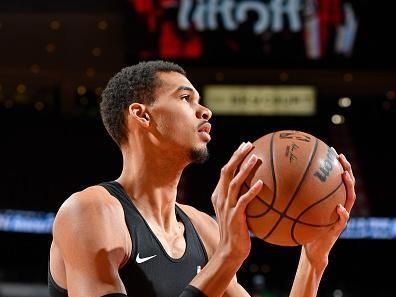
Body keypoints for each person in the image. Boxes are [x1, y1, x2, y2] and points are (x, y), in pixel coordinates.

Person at [48, 60, 356, 297]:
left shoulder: (205, 230)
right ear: (142, 115)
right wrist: (227, 257)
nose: (205, 111)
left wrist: (313, 260)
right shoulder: (90, 212)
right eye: (185, 99)